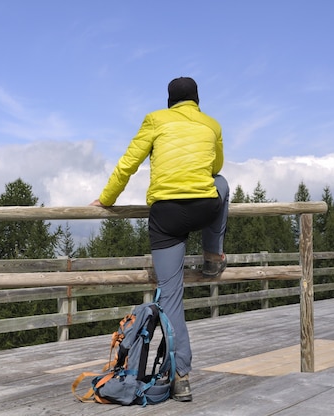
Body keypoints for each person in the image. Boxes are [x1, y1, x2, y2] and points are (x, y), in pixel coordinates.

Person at [90, 76, 229, 402]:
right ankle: (213, 255)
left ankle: (181, 377)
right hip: (204, 209)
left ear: (170, 101)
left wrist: (106, 199)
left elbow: (128, 165)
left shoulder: (155, 120)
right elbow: (216, 166)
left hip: (166, 217)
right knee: (221, 184)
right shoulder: (212, 125)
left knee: (171, 299)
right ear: (197, 100)